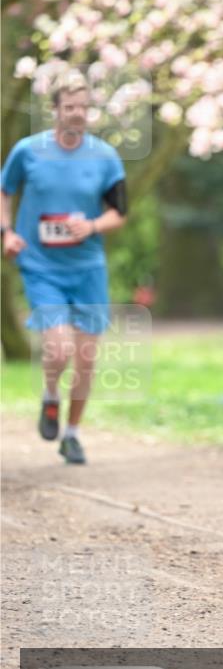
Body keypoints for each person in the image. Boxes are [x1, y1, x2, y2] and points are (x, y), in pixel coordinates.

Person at [1, 73, 128, 464]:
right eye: (69, 107)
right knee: (58, 347)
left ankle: (71, 434)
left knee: (87, 360)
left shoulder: (105, 156)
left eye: (84, 107)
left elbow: (119, 212)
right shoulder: (27, 151)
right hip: (41, 266)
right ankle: (50, 395)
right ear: (54, 110)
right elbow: (4, 192)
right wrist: (6, 232)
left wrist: (90, 226)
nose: (77, 114)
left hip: (88, 268)